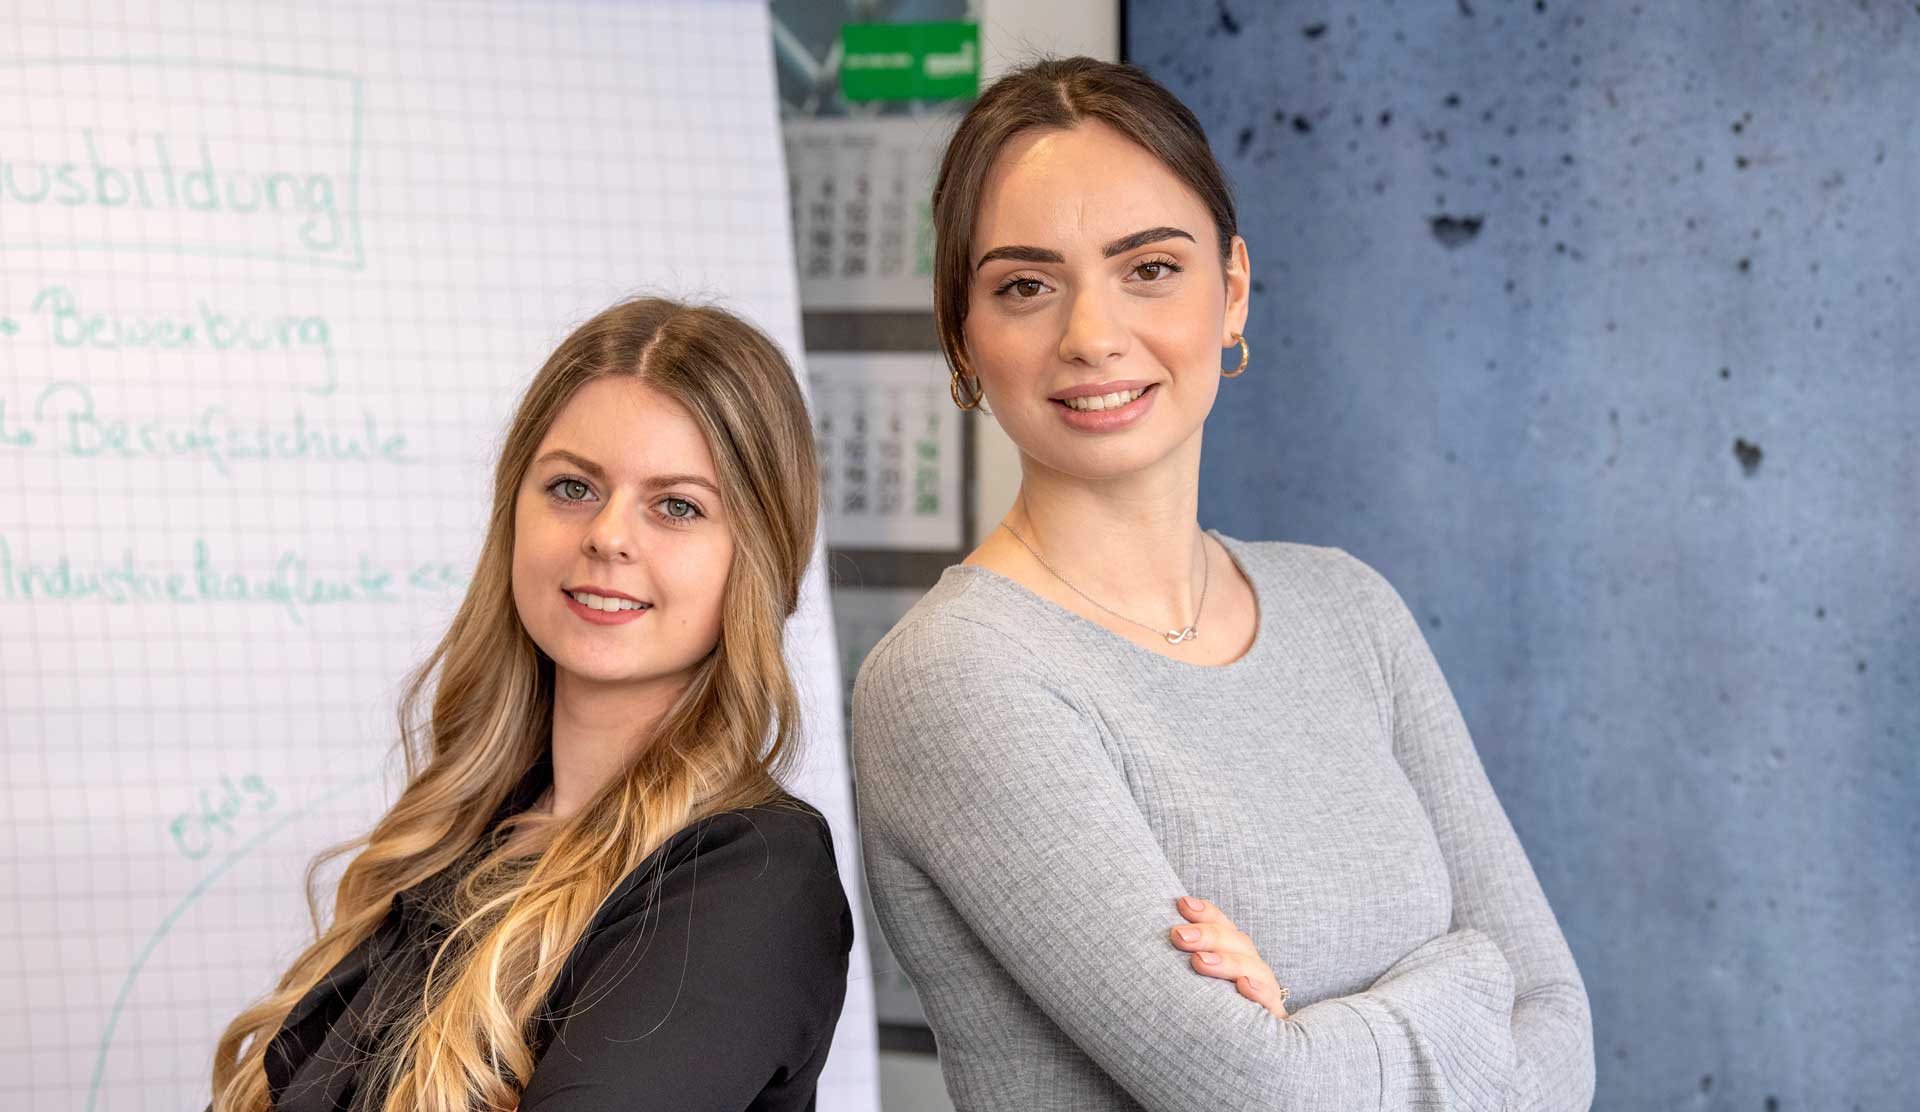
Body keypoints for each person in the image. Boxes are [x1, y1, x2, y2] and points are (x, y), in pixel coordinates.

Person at [851, 57, 1595, 1111]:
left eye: (1149, 267)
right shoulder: (956, 678)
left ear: (1232, 289)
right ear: (961, 335)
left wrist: (1314, 1033)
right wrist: (1468, 986)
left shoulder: (1348, 609)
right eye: (1025, 284)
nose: (1092, 336)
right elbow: (1262, 1096)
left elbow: (1561, 1035)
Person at [207, 298, 853, 1112]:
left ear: (758, 556)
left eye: (677, 505)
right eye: (573, 487)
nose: (609, 535)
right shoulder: (460, 838)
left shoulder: (748, 875)